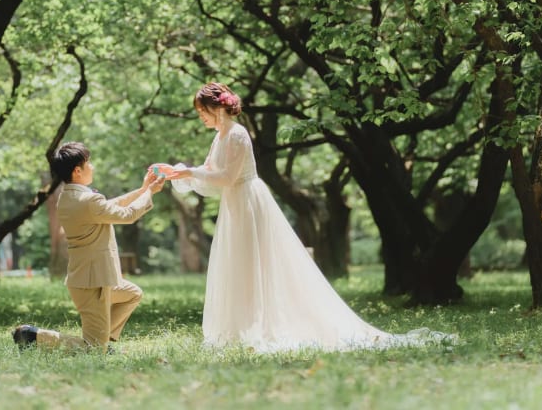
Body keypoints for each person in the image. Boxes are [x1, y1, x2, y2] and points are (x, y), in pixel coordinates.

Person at [161, 82, 454, 353]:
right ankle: (238, 327)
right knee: (237, 262)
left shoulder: (237, 134)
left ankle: (258, 324)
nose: (201, 117)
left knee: (252, 261)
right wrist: (180, 173)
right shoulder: (219, 137)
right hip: (233, 204)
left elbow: (226, 177)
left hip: (248, 202)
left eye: (202, 111)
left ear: (216, 107)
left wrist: (189, 172)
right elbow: (210, 175)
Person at [12, 141, 165, 353]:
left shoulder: (69, 197)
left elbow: (109, 207)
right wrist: (150, 193)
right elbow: (127, 215)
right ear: (77, 171)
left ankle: (103, 340)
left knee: (133, 294)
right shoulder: (87, 201)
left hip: (93, 278)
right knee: (93, 349)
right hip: (94, 284)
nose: (92, 167)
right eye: (88, 163)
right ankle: (33, 336)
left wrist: (143, 190)